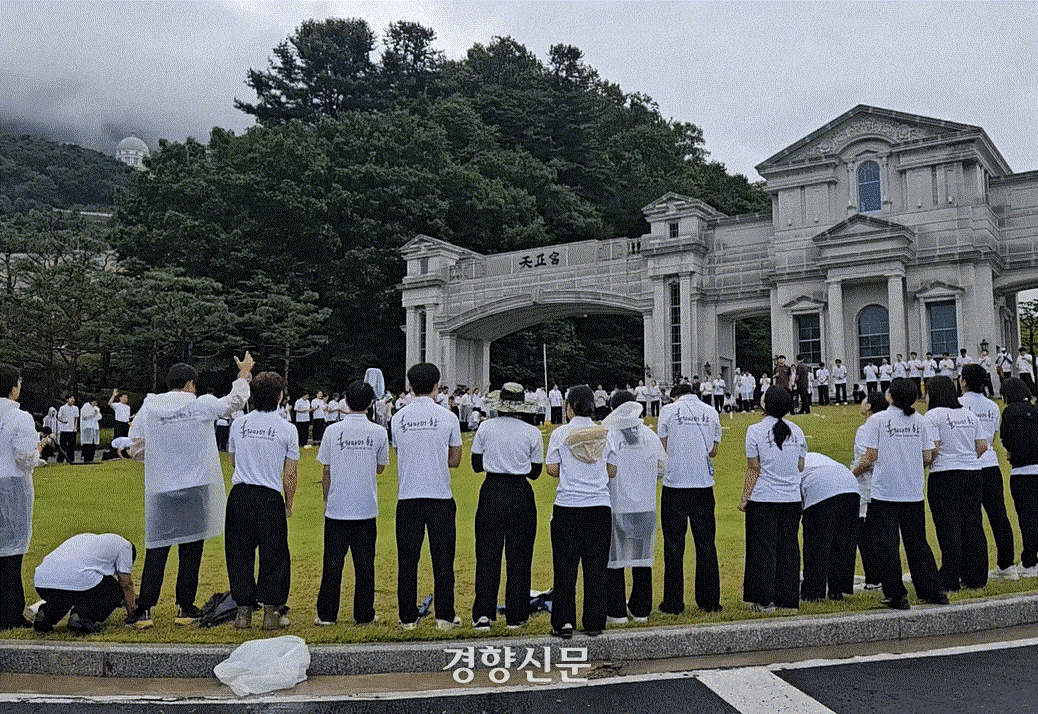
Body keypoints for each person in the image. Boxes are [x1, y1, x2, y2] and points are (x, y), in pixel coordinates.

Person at [124, 352, 253, 629]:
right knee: (191, 548)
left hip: (162, 488)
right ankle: (185, 605)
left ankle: (144, 608)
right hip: (196, 485)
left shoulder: (150, 407)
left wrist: (160, 455)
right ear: (191, 384)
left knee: (157, 547)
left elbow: (136, 447)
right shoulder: (200, 405)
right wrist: (243, 375)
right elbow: (234, 402)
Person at [852, 378, 947, 609]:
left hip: (885, 492)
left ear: (890, 396)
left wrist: (851, 473)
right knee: (917, 543)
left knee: (887, 545)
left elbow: (870, 456)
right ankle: (932, 589)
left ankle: (896, 594)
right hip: (913, 490)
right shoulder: (920, 420)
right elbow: (928, 456)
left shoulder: (878, 420)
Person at [391, 362, 463, 629]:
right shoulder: (448, 417)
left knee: (407, 561)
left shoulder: (398, 418)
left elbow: (400, 452)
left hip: (408, 496)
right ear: (437, 386)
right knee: (443, 560)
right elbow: (455, 459)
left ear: (410, 387)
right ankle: (445, 616)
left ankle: (407, 617)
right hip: (440, 496)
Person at [225, 371, 299, 629]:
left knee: (238, 553)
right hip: (268, 496)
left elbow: (232, 460)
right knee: (274, 555)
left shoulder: (239, 424)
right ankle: (271, 612)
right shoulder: (287, 428)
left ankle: (243, 612)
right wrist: (288, 503)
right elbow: (290, 473)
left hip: (241, 494)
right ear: (280, 397)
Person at [546, 385, 618, 638]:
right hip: (598, 504)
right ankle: (594, 620)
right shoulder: (605, 434)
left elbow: (552, 469)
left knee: (565, 566)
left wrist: (572, 470)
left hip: (569, 504)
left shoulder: (560, 433)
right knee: (596, 567)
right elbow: (612, 470)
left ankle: (564, 621)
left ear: (569, 406)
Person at [469, 382, 543, 630]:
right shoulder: (531, 432)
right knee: (520, 557)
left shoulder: (486, 427)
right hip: (520, 492)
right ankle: (517, 614)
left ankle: (483, 613)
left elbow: (477, 464)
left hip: (492, 491)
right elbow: (535, 472)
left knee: (487, 555)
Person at [314, 380, 388, 626]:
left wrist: (326, 499)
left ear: (345, 402)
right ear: (370, 404)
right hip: (365, 507)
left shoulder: (332, 432)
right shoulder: (378, 432)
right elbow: (380, 468)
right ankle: (364, 614)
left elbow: (326, 470)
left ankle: (327, 614)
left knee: (332, 564)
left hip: (337, 507)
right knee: (365, 565)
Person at [656, 381, 722, 615]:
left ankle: (673, 602)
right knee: (706, 543)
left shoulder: (668, 411)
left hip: (675, 483)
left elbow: (661, 445)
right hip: (703, 484)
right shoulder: (711, 411)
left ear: (675, 397)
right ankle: (710, 600)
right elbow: (714, 450)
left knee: (674, 544)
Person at [739, 386, 806, 611]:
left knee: (763, 549)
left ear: (765, 403)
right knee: (788, 548)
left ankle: (764, 600)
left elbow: (753, 468)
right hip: (791, 498)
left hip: (764, 498)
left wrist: (744, 497)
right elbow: (800, 465)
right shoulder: (797, 431)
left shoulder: (755, 430)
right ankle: (788, 600)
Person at [603, 395, 665, 625]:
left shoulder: (609, 435)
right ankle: (641, 611)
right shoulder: (650, 435)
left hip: (617, 503)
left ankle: (616, 612)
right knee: (641, 560)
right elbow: (662, 468)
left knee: (615, 560)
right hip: (645, 506)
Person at [924, 375, 988, 591]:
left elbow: (933, 449)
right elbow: (982, 446)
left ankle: (950, 577)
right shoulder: (969, 415)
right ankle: (976, 575)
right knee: (972, 524)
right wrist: (966, 458)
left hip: (945, 474)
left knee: (948, 526)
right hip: (972, 472)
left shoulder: (933, 415)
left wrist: (923, 465)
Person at [960, 364, 1017, 581]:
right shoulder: (992, 406)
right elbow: (991, 438)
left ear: (964, 382)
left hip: (969, 465)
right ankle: (1007, 565)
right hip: (990, 463)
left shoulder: (958, 404)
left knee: (971, 519)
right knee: (998, 515)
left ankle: (972, 568)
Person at [32, 533, 138, 634]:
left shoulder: (87, 539)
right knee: (113, 589)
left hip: (42, 583)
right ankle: (82, 617)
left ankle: (46, 616)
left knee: (68, 593)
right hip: (74, 580)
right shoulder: (126, 546)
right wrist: (132, 614)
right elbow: (126, 584)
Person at [0, 364, 38, 629]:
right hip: (11, 485)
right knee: (12, 553)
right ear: (14, 389)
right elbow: (25, 459)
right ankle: (10, 612)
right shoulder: (19, 417)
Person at [799, 453, 861, 601]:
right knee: (843, 543)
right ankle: (837, 590)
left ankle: (812, 593)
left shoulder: (793, 466)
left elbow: (797, 502)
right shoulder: (816, 458)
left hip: (821, 489)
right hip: (851, 487)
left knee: (817, 545)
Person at [850, 391, 889, 592]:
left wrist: (850, 475)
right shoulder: (887, 424)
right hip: (886, 486)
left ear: (869, 406)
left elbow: (867, 458)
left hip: (867, 486)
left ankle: (874, 578)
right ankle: (885, 576)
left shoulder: (866, 428)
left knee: (866, 534)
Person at [1000, 378, 1038, 578]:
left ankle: (1030, 561)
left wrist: (1010, 451)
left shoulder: (1010, 412)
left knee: (1027, 518)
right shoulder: (1035, 410)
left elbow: (1007, 437)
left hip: (1023, 471)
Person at [79, 396, 101, 464]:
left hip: (94, 427)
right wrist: (93, 413)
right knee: (87, 444)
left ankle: (91, 458)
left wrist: (96, 413)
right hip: (87, 427)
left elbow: (99, 416)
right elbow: (84, 416)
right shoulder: (85, 407)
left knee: (93, 444)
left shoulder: (96, 408)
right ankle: (86, 459)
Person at [56, 396, 79, 463]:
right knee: (63, 446)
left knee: (71, 446)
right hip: (64, 429)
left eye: (73, 399)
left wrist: (75, 427)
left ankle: (71, 459)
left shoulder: (75, 408)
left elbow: (76, 418)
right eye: (71, 398)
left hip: (72, 430)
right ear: (67, 399)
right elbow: (59, 417)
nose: (73, 400)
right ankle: (60, 460)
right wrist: (63, 421)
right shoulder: (62, 408)